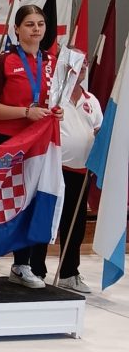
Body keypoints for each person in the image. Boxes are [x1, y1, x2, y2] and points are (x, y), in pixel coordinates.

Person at [0, 4, 63, 289]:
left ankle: (21, 264)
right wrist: (26, 112)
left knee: (29, 202)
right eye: (29, 24)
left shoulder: (53, 63)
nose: (36, 29)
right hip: (4, 142)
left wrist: (57, 113)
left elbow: (55, 101)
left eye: (40, 23)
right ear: (17, 29)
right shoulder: (3, 61)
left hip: (37, 144)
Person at [56, 64, 101, 294]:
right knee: (48, 220)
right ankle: (36, 269)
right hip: (54, 170)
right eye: (76, 62)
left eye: (84, 63)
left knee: (75, 225)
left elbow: (98, 131)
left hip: (81, 173)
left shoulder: (91, 100)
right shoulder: (55, 96)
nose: (81, 66)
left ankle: (69, 273)